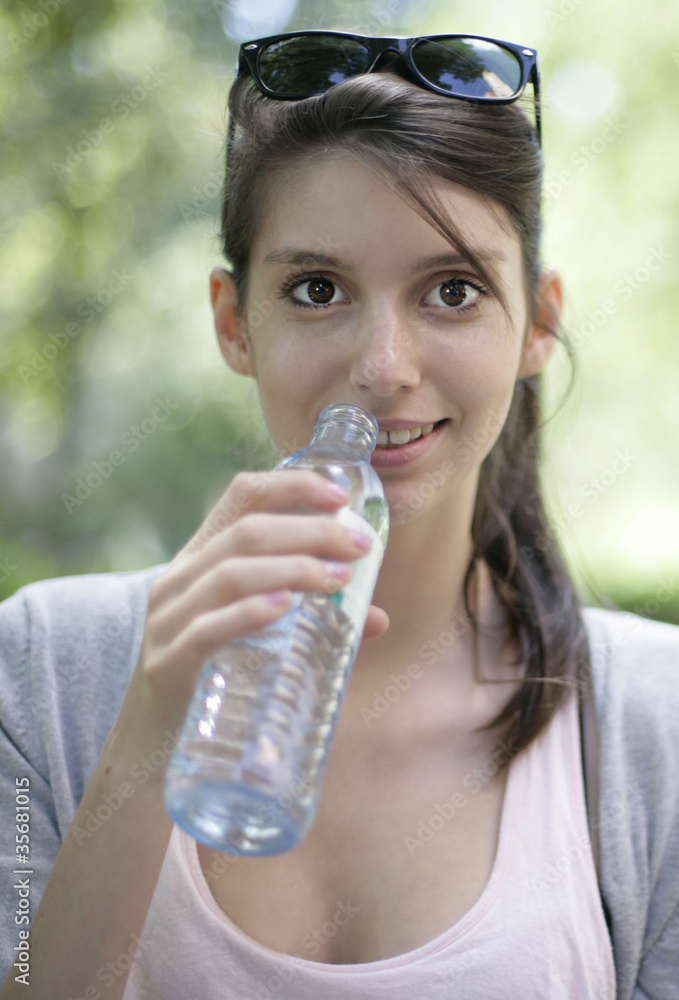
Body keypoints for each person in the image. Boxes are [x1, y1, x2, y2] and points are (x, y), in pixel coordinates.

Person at [1, 29, 678, 1000]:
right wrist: (146, 733)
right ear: (235, 322)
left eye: (452, 290)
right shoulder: (40, 666)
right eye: (316, 290)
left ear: (536, 322)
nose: (383, 367)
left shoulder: (654, 726)